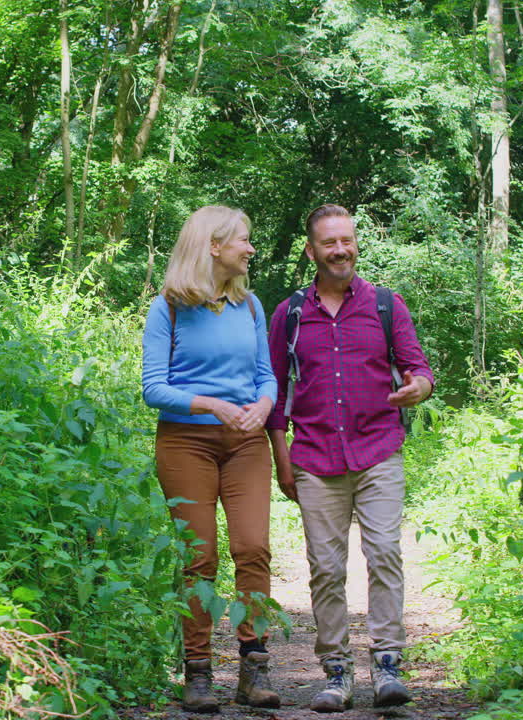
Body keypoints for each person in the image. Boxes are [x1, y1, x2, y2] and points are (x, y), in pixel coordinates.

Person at [265, 204, 434, 712]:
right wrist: (281, 458)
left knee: (384, 554)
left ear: (355, 243)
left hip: (379, 452)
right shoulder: (290, 314)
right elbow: (273, 391)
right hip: (315, 458)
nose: (340, 250)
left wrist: (418, 389)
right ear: (312, 251)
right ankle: (336, 673)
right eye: (329, 243)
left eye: (347, 240)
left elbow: (418, 368)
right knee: (326, 568)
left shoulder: (386, 305)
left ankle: (387, 665)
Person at [141, 205, 281, 713]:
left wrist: (263, 405)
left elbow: (266, 374)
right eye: (243, 240)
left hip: (245, 443)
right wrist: (213, 405)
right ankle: (197, 674)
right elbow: (153, 389)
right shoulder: (170, 308)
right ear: (214, 246)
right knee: (198, 558)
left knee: (253, 548)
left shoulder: (250, 306)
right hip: (186, 443)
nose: (250, 248)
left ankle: (253, 668)